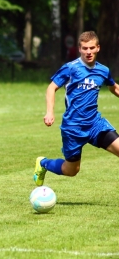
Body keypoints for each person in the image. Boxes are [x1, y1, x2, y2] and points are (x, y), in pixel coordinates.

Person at [33, 31, 119, 186]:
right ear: (79, 49)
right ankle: (43, 163)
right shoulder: (71, 68)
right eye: (85, 48)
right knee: (71, 170)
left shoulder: (103, 71)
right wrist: (49, 112)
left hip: (95, 124)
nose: (88, 52)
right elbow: (51, 88)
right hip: (73, 127)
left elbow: (114, 88)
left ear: (98, 48)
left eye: (92, 48)